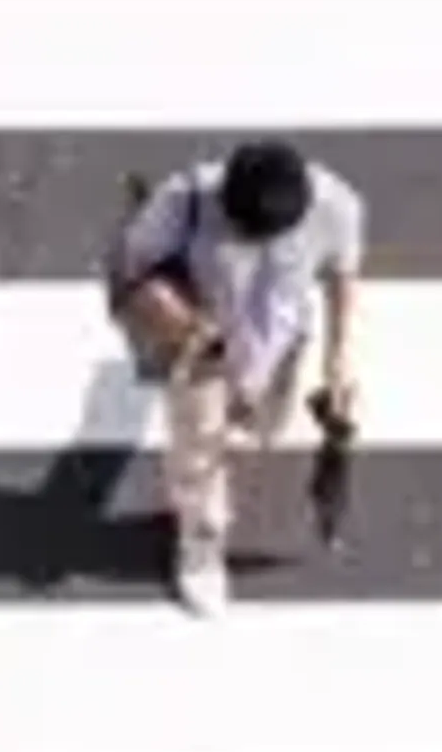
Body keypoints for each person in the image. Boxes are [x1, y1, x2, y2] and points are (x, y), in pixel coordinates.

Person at [102, 139, 367, 616]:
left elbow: (342, 273)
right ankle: (199, 542)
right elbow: (131, 264)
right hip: (199, 344)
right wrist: (178, 319)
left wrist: (340, 352)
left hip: (280, 347)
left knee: (265, 430)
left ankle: (217, 457)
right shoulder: (182, 199)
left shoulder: (336, 205)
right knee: (199, 447)